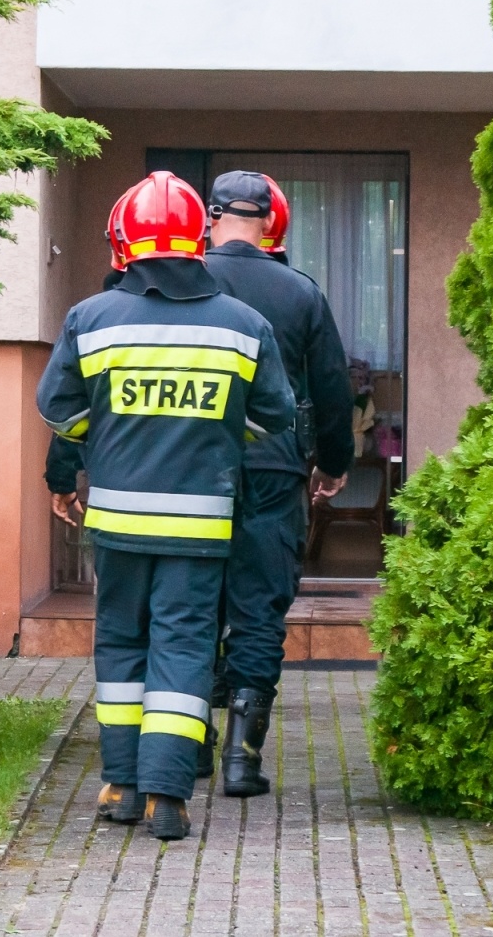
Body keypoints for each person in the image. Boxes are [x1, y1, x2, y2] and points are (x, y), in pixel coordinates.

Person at [36, 171, 295, 840]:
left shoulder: (90, 319)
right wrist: (218, 434)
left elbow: (57, 409)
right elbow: (276, 416)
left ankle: (121, 786)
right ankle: (168, 798)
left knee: (122, 645)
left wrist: (108, 438)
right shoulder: (244, 326)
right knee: (184, 647)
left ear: (123, 240)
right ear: (196, 237)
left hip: (117, 522)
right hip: (200, 523)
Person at [201, 170, 354, 798]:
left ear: (210, 217)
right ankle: (242, 760)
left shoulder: (184, 279)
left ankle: (187, 746)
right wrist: (333, 463)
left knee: (191, 603)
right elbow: (333, 388)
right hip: (274, 467)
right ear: (270, 222)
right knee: (260, 608)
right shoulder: (301, 293)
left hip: (194, 468)